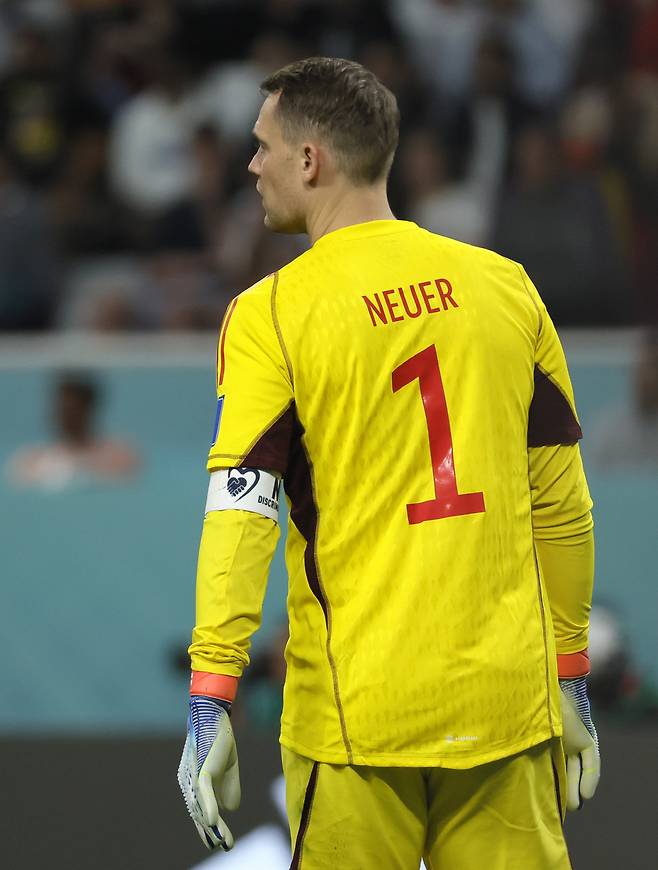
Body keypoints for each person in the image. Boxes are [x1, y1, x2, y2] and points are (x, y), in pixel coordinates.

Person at [177, 58, 599, 869]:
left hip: (356, 724)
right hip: (508, 709)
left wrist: (212, 695)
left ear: (312, 161)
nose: (252, 164)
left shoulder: (272, 314)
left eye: (263, 146)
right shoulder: (505, 288)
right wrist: (570, 671)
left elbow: (242, 516)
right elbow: (562, 504)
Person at [7, 372, 139, 490]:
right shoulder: (31, 459)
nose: (65, 416)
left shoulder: (120, 456)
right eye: (61, 409)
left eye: (73, 410)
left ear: (89, 409)